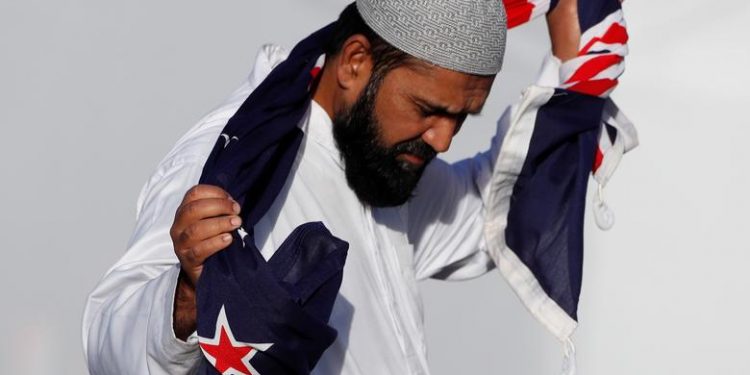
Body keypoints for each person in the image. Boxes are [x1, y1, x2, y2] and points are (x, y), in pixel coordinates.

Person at [83, 0, 617, 373]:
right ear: (356, 62)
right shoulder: (232, 160)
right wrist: (186, 296)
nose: (444, 140)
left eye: (462, 118)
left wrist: (569, 73)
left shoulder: (377, 155)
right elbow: (107, 351)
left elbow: (487, 217)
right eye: (429, 110)